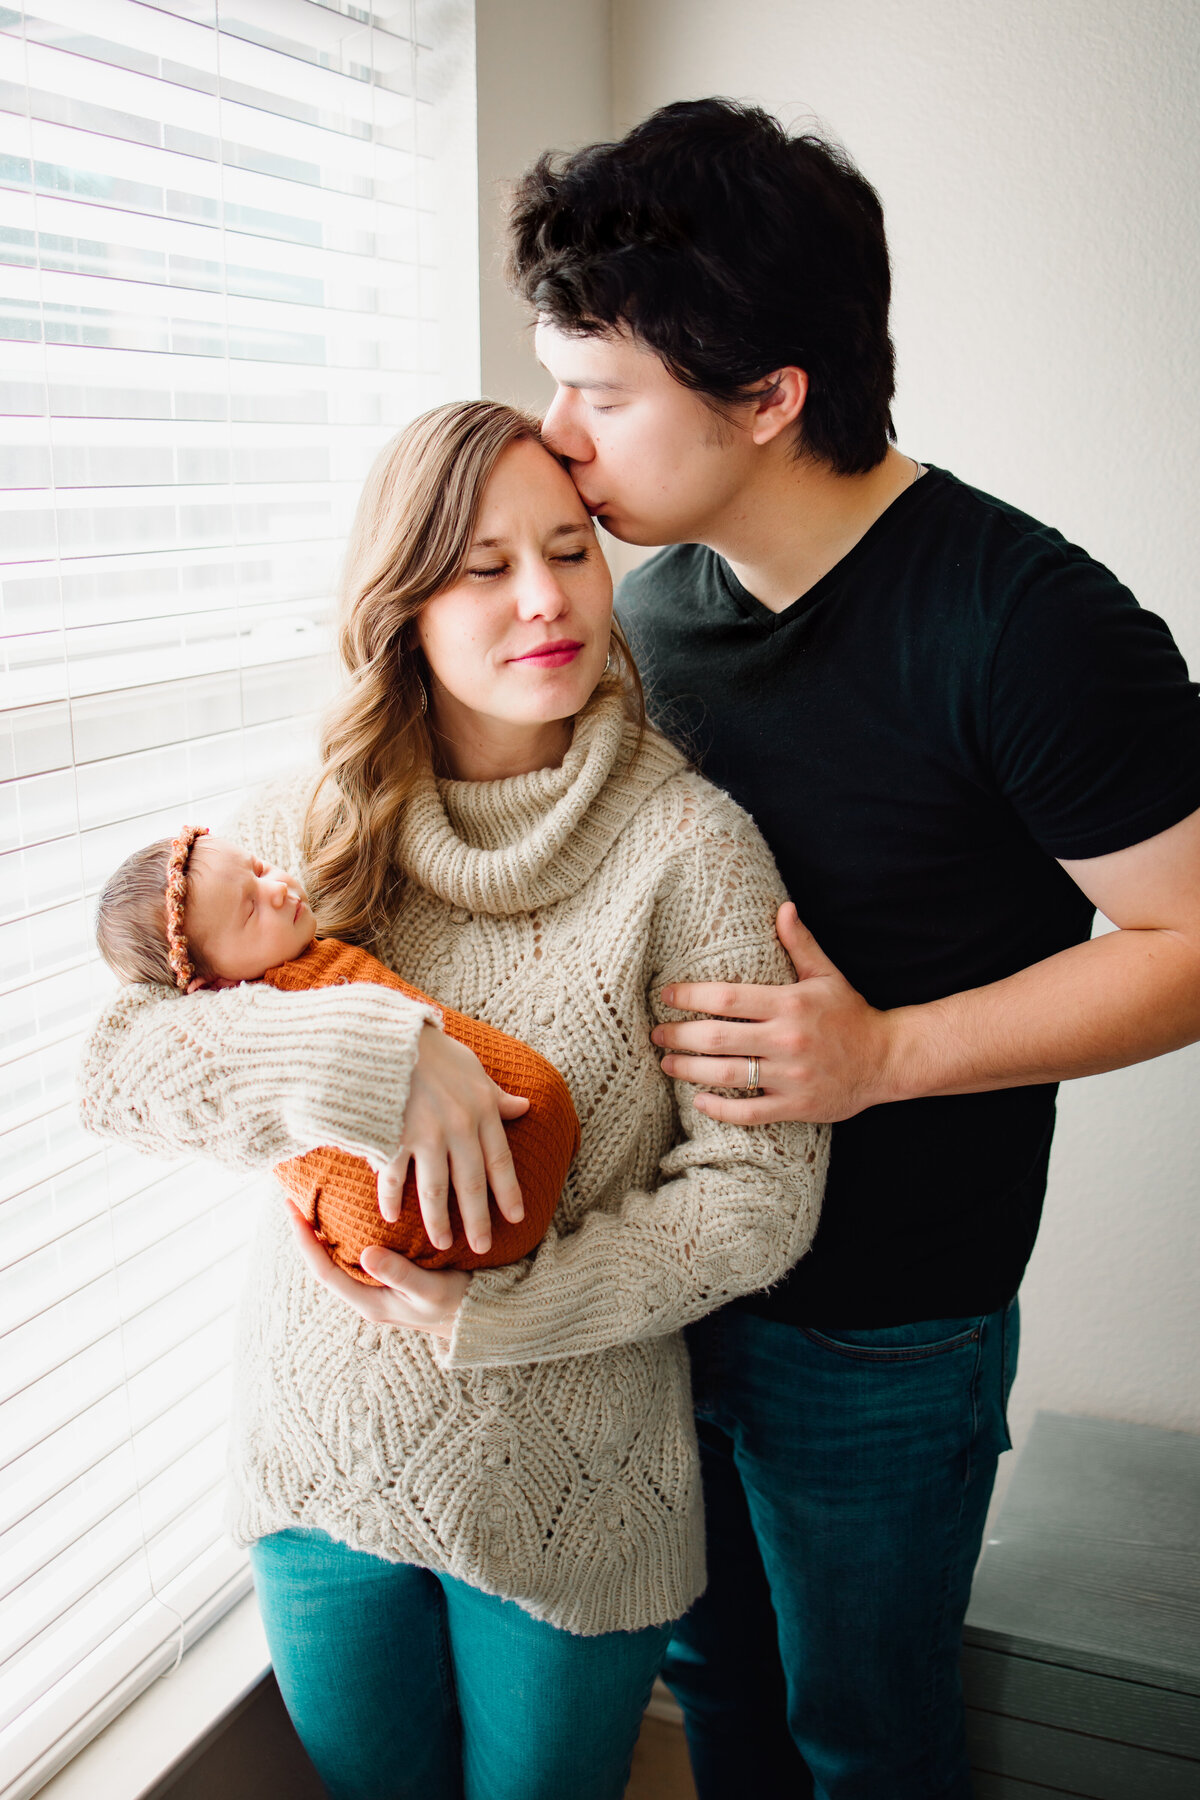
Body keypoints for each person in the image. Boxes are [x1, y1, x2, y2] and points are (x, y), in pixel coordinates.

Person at [503, 98, 1200, 1799]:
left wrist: (887, 1055)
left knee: (867, 1741)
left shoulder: (1030, 625)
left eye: (602, 392)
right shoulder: (647, 613)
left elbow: (1192, 934)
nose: (557, 433)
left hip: (886, 1324)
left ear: (767, 396)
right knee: (715, 1705)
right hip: (664, 1283)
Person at [78, 398, 828, 1800]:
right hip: (320, 1460)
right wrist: (376, 1053)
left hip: (577, 1485)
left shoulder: (693, 851)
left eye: (569, 551)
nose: (544, 600)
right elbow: (116, 1069)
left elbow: (758, 1197)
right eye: (484, 567)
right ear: (405, 599)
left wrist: (508, 1310)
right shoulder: (310, 817)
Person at [91, 826, 580, 1274]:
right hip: (409, 1227)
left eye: (260, 869)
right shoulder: (243, 1010)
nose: (278, 888)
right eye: (249, 909)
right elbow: (106, 1084)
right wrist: (362, 1050)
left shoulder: (289, 927)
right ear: (213, 983)